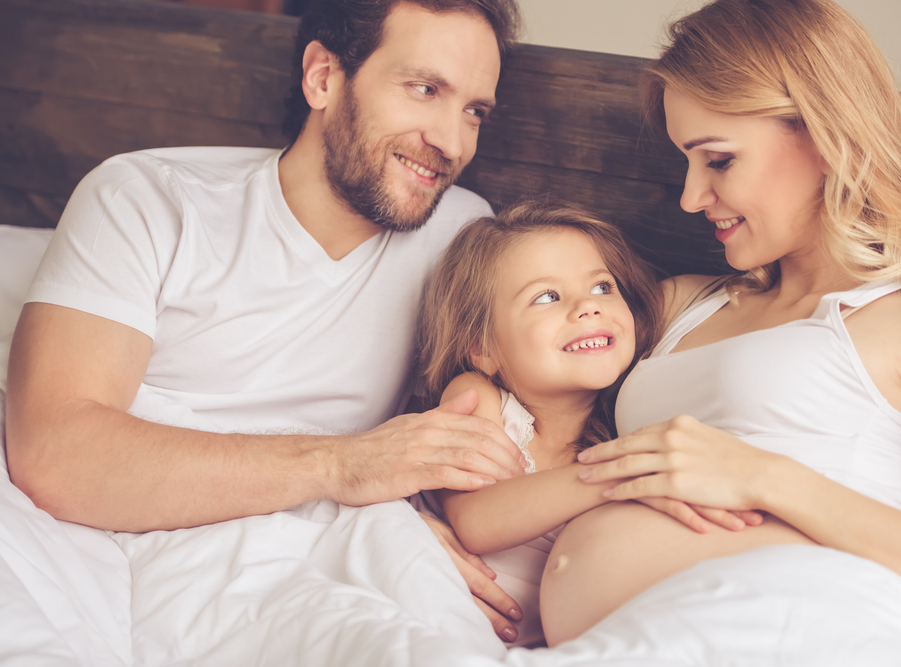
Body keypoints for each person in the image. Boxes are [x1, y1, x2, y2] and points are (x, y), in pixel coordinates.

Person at [5, 0, 530, 641]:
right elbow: (54, 454)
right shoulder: (148, 196)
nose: (451, 141)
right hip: (62, 534)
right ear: (323, 78)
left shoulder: (462, 234)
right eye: (425, 89)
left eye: (475, 111)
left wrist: (394, 520)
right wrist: (345, 466)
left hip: (281, 562)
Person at [538, 0, 901, 650]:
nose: (691, 197)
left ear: (824, 135)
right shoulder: (677, 305)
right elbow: (530, 393)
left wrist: (765, 476)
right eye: (687, 163)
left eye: (719, 160)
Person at [413, 200, 666, 646]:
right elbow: (477, 519)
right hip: (427, 604)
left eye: (603, 287)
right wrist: (621, 472)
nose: (588, 306)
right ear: (482, 347)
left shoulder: (627, 423)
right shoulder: (478, 396)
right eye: (547, 296)